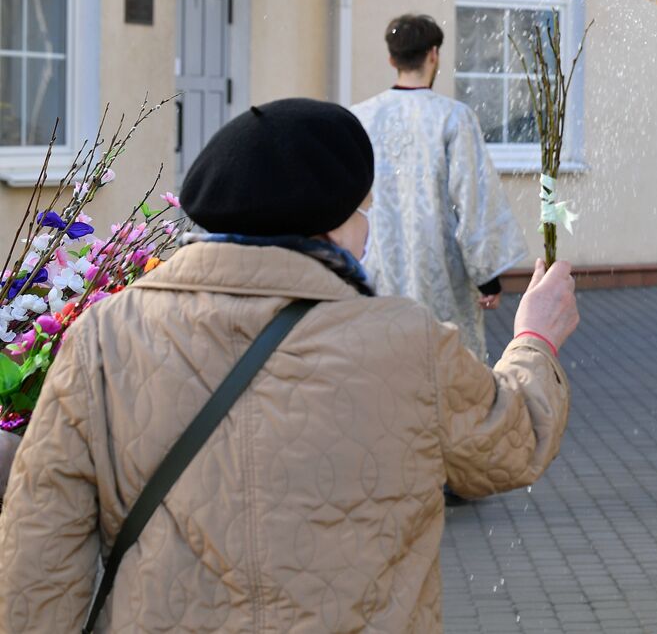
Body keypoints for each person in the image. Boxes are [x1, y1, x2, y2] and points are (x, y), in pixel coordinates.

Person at [0, 98, 577, 631]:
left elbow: (37, 566)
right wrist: (535, 337)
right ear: (330, 225)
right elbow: (511, 445)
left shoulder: (102, 339)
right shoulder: (408, 342)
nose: (369, 227)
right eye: (363, 210)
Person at [352, 13, 527, 363]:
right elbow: (473, 198)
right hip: (439, 271)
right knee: (446, 372)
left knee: (382, 367)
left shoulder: (360, 117)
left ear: (392, 59)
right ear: (434, 54)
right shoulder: (453, 117)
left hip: (376, 269)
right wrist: (487, 276)